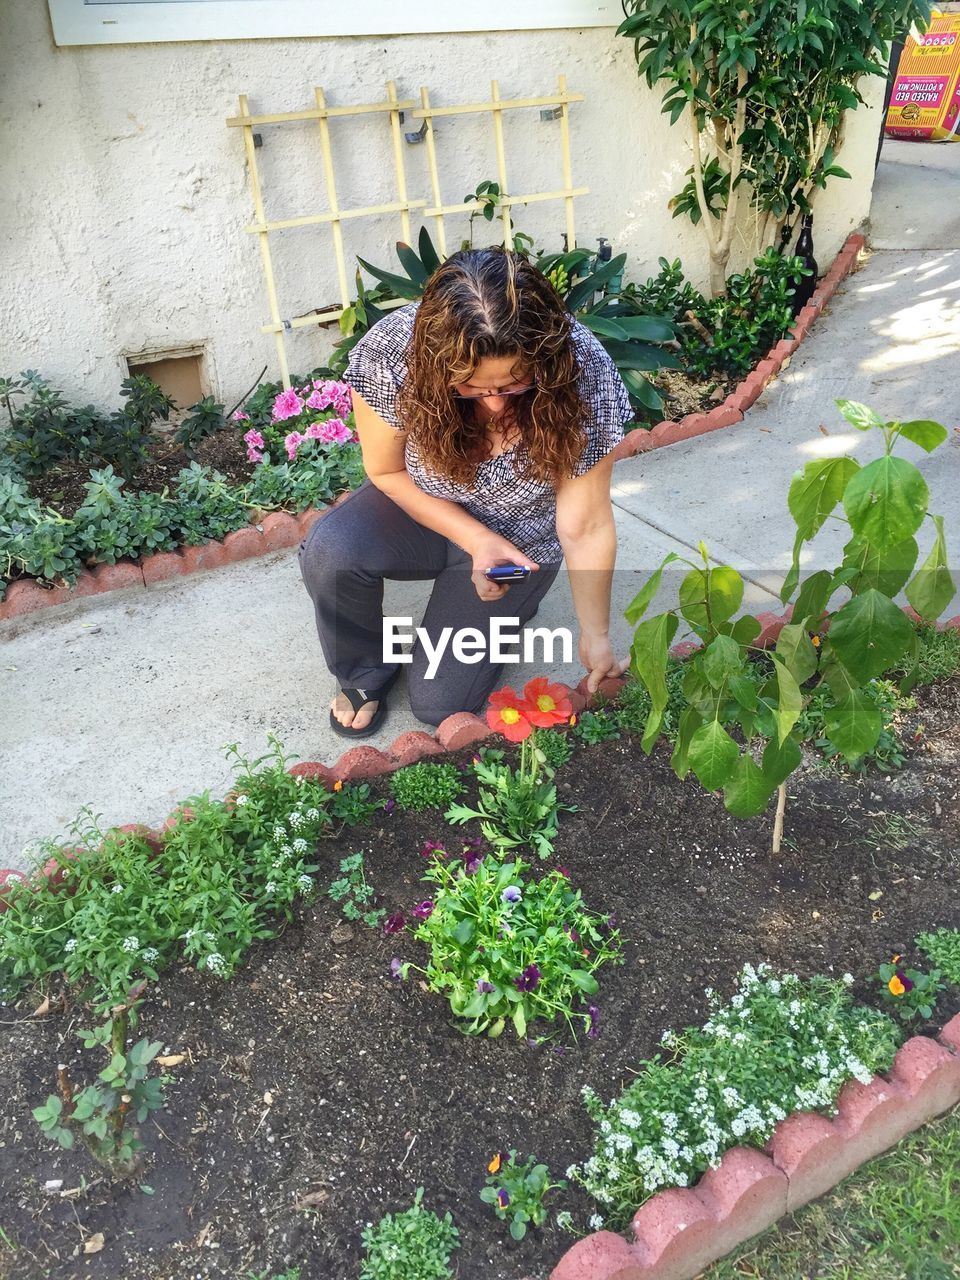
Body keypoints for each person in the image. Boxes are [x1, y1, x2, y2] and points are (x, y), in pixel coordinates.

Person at [298, 246, 634, 739]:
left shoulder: (585, 373)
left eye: (517, 383)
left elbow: (584, 525)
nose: (497, 405)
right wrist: (476, 540)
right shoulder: (391, 354)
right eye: (473, 389)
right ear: (438, 367)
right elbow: (387, 473)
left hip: (519, 542)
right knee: (332, 550)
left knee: (439, 706)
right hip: (422, 508)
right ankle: (363, 672)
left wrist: (596, 634)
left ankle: (516, 599)